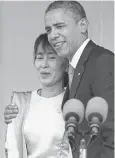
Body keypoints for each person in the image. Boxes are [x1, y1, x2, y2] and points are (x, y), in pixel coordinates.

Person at [4, 1, 114, 158]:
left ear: (82, 25)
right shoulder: (75, 71)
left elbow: (112, 132)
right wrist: (19, 115)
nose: (53, 35)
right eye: (49, 29)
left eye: (60, 26)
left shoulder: (101, 60)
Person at [5, 33, 74, 158]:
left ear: (66, 65)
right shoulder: (21, 103)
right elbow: (12, 149)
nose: (44, 64)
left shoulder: (75, 103)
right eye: (40, 57)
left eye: (52, 57)